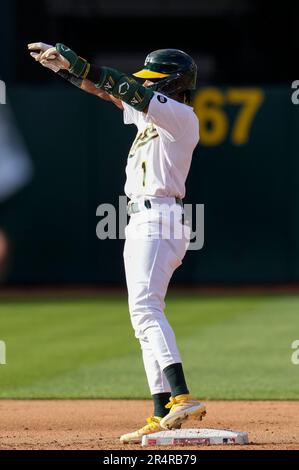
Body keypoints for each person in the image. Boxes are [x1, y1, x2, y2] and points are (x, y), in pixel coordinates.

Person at [28, 42, 206, 443]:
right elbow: (108, 91)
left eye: (153, 79)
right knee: (142, 315)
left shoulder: (179, 115)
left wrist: (80, 62)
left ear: (172, 84)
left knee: (145, 310)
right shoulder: (150, 117)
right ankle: (162, 410)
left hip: (160, 216)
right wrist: (65, 70)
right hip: (143, 218)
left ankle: (181, 396)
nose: (144, 85)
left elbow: (127, 88)